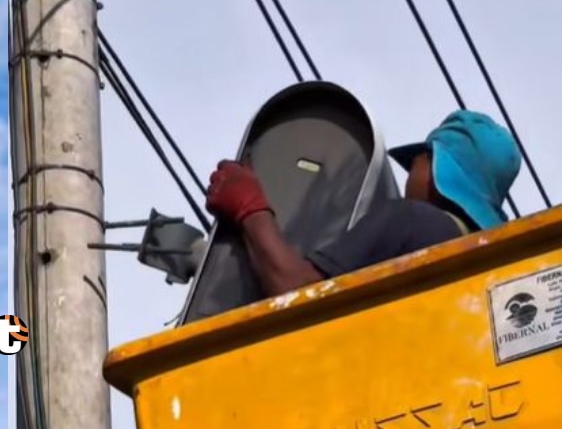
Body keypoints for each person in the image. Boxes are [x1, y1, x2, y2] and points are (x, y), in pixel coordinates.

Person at [204, 109, 523, 297]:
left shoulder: (411, 222)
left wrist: (249, 206)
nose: (410, 173)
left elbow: (298, 293)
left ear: (435, 168)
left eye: (417, 161)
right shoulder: (488, 272)